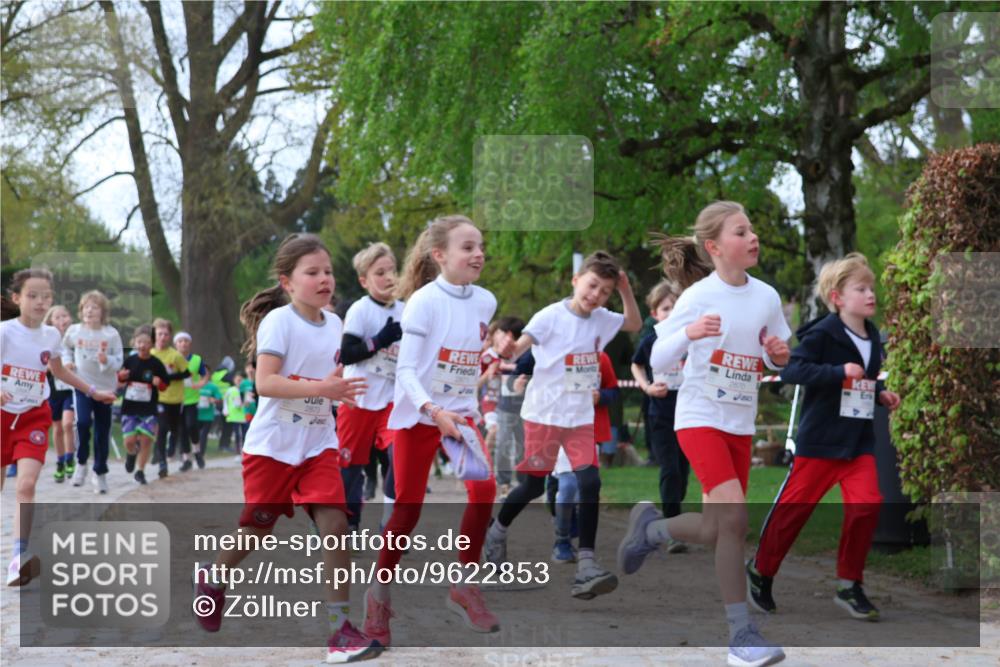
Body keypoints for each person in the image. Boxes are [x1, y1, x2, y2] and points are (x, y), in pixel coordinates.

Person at [191, 232, 381, 663]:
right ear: (287, 282)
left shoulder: (335, 324)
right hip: (273, 447)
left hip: (317, 444)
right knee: (256, 530)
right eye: (312, 272)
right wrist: (323, 388)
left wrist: (337, 393)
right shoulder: (279, 322)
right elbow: (266, 383)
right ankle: (213, 576)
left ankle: (340, 631)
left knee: (337, 525)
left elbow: (328, 381)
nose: (324, 279)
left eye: (328, 271)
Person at [616, 201, 791, 667]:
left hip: (739, 422)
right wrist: (689, 333)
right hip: (698, 417)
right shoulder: (697, 297)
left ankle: (651, 530)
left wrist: (777, 355)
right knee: (735, 520)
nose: (752, 237)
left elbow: (776, 354)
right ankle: (741, 635)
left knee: (716, 530)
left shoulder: (767, 297)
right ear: (714, 247)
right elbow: (658, 359)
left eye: (751, 229)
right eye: (741, 231)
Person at [362, 215, 499, 646]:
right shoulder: (422, 301)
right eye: (468, 247)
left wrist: (457, 406)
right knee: (407, 511)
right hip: (419, 415)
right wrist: (432, 409)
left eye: (481, 246)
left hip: (460, 416)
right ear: (439, 255)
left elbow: (464, 359)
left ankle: (464, 584)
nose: (478, 254)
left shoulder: (486, 301)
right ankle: (378, 596)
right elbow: (405, 371)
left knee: (485, 490)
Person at [747, 252, 900, 622]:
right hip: (820, 443)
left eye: (871, 288)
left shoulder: (872, 334)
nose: (870, 294)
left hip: (858, 443)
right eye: (860, 289)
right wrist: (837, 371)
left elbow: (860, 383)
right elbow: (792, 371)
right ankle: (760, 571)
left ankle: (849, 584)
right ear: (837, 298)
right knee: (793, 513)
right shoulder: (822, 334)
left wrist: (879, 395)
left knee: (867, 505)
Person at [485, 251, 642, 599]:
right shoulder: (550, 316)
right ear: (576, 281)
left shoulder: (602, 318)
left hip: (580, 418)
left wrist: (625, 289)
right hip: (544, 415)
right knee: (533, 487)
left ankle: (586, 565)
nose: (596, 295)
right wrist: (509, 347)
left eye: (604, 291)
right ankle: (496, 532)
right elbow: (519, 349)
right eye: (592, 286)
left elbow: (634, 323)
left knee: (590, 482)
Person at [2, 269, 115, 585]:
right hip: (1, 416)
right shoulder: (4, 332)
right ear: (17, 298)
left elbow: (60, 371)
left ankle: (18, 558)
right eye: (32, 295)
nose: (40, 302)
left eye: (46, 296)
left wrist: (92, 391)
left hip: (33, 416)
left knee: (26, 485)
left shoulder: (52, 335)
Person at [337, 242, 404, 531]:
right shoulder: (360, 310)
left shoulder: (407, 310)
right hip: (358, 398)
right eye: (380, 273)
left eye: (392, 270)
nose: (389, 277)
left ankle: (390, 523)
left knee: (399, 457)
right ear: (364, 280)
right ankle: (350, 523)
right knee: (351, 468)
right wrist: (379, 340)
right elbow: (347, 353)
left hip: (391, 400)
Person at [630, 280, 690, 553]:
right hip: (661, 414)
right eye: (665, 308)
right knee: (670, 469)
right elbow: (636, 364)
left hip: (689, 412)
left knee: (683, 472)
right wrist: (647, 387)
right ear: (655, 314)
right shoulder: (651, 340)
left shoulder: (690, 337)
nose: (671, 312)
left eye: (675, 307)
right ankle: (673, 529)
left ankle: (670, 516)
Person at [551, 350, 619, 564]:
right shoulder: (556, 354)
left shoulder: (601, 357)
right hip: (562, 428)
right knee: (568, 486)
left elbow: (613, 390)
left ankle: (583, 547)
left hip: (590, 431)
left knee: (586, 489)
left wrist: (601, 396)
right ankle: (562, 541)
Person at [63, 290, 123, 494]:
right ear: (81, 311)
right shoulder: (74, 331)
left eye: (95, 307)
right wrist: (67, 362)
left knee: (102, 431)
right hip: (82, 386)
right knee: (82, 423)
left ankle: (100, 472)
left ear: (103, 312)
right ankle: (81, 463)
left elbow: (119, 360)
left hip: (105, 388)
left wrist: (108, 361)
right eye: (86, 307)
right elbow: (64, 349)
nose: (90, 311)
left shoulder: (111, 334)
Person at [118, 325, 170, 485]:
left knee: (147, 440)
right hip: (130, 407)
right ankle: (131, 454)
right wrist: (121, 376)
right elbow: (118, 379)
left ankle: (140, 471)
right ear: (135, 343)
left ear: (152, 344)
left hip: (149, 409)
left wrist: (159, 383)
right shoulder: (129, 361)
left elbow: (165, 385)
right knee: (129, 441)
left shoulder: (156, 363)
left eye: (146, 342)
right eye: (139, 342)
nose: (142, 345)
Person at [491, 316, 527, 497]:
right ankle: (504, 482)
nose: (498, 337)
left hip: (526, 408)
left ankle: (523, 483)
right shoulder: (500, 354)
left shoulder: (528, 352)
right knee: (503, 444)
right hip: (505, 406)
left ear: (510, 334)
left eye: (501, 333)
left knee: (524, 446)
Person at [150, 318, 190, 478]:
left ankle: (178, 454)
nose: (162, 337)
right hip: (158, 398)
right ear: (154, 335)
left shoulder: (175, 356)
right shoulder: (150, 354)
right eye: (159, 334)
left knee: (174, 429)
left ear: (170, 336)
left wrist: (168, 377)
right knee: (162, 428)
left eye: (166, 334)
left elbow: (187, 373)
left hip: (175, 399)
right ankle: (162, 462)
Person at [43, 305, 76, 483]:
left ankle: (70, 458)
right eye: (57, 317)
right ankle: (60, 462)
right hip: (54, 389)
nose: (62, 320)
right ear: (50, 321)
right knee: (57, 427)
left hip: (71, 388)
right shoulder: (46, 339)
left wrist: (74, 365)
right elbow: (43, 363)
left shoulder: (76, 337)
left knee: (68, 424)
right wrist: (57, 368)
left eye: (65, 316)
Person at [174, 331, 209, 470]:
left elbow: (205, 375)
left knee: (191, 425)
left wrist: (200, 384)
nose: (183, 343)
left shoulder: (196, 359)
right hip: (176, 399)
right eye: (180, 341)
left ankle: (197, 451)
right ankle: (186, 459)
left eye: (186, 341)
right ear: (176, 344)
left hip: (191, 399)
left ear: (190, 343)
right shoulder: (172, 359)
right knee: (181, 430)